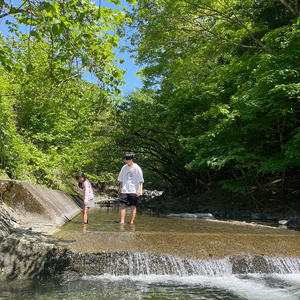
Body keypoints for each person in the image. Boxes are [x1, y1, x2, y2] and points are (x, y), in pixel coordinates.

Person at [118, 153, 144, 225]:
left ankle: (132, 222)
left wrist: (139, 190)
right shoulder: (124, 168)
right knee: (122, 204)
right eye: (125, 159)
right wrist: (120, 188)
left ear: (131, 159)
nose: (126, 161)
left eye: (127, 159)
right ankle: (122, 221)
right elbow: (122, 179)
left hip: (134, 189)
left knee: (133, 206)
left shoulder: (136, 167)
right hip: (125, 189)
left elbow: (140, 180)